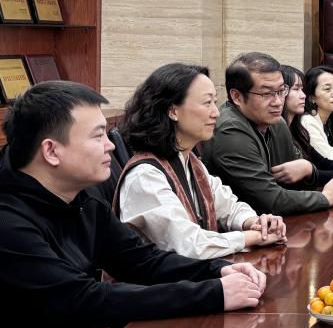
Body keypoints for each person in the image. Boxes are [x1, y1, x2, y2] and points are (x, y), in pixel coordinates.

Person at [0, 82, 266, 328]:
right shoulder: (8, 223)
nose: (111, 145)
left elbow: (141, 261)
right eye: (98, 136)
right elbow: (83, 300)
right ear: (52, 151)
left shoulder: (81, 200)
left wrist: (218, 270)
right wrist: (214, 293)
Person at [115, 63, 288, 259]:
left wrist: (255, 222)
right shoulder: (145, 176)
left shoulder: (190, 161)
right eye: (207, 103)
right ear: (173, 111)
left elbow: (228, 206)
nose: (216, 112)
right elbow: (189, 245)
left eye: (215, 102)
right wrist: (253, 237)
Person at [204, 52, 333, 215]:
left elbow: (295, 181)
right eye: (267, 94)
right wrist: (324, 198)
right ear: (237, 96)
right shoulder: (230, 130)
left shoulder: (277, 123)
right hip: (244, 225)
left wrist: (309, 170)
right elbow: (271, 201)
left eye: (281, 91)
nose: (278, 102)